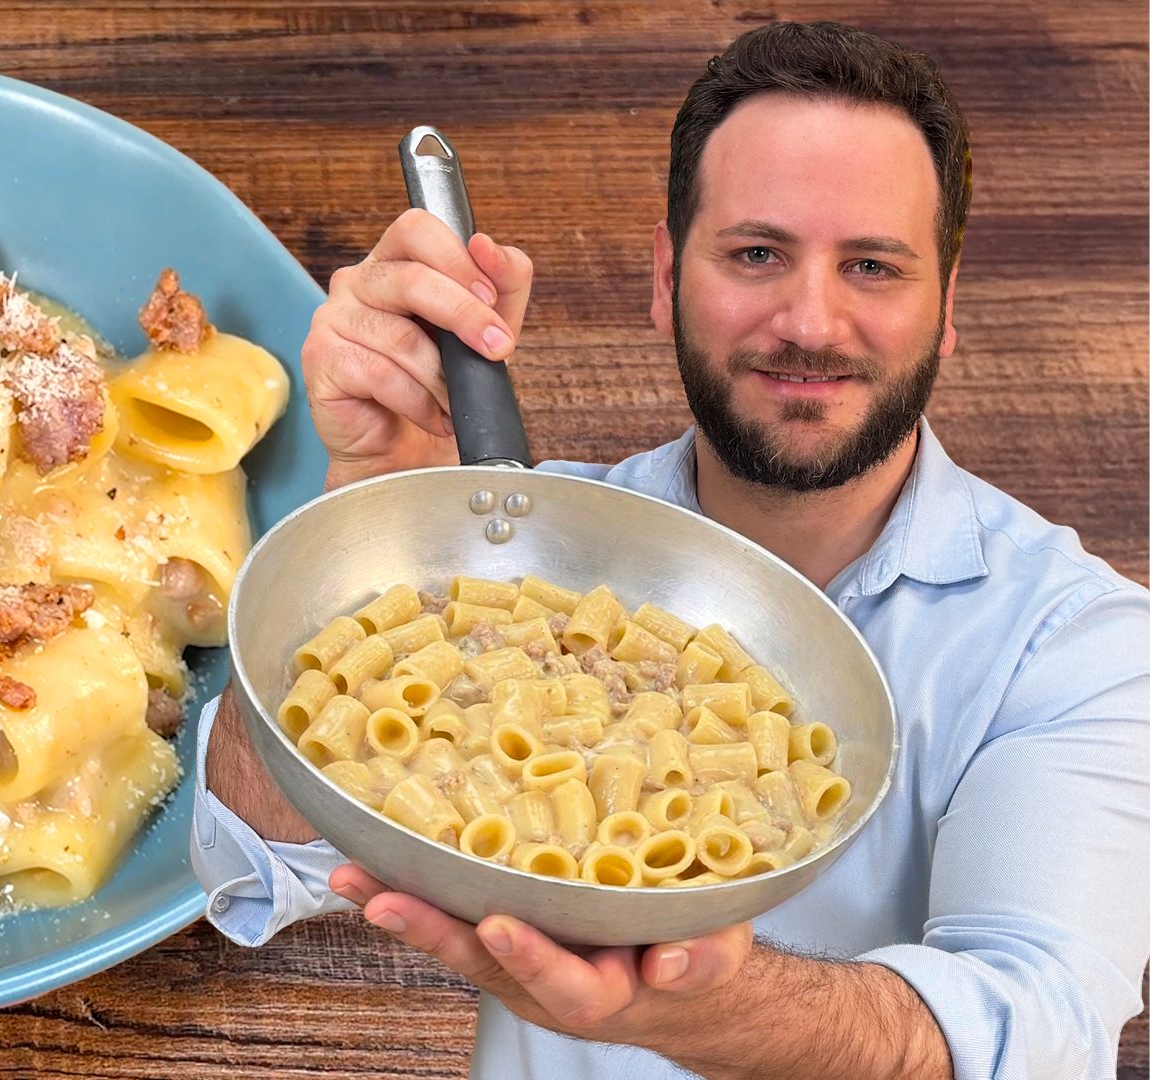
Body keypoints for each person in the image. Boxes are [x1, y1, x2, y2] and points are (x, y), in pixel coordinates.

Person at [190, 20, 1150, 1080]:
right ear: (665, 277)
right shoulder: (514, 569)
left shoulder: (1073, 646)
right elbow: (252, 873)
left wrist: (690, 1006)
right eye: (757, 254)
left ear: (947, 307)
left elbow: (1043, 1035)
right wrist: (372, 510)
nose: (809, 321)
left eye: (872, 266)